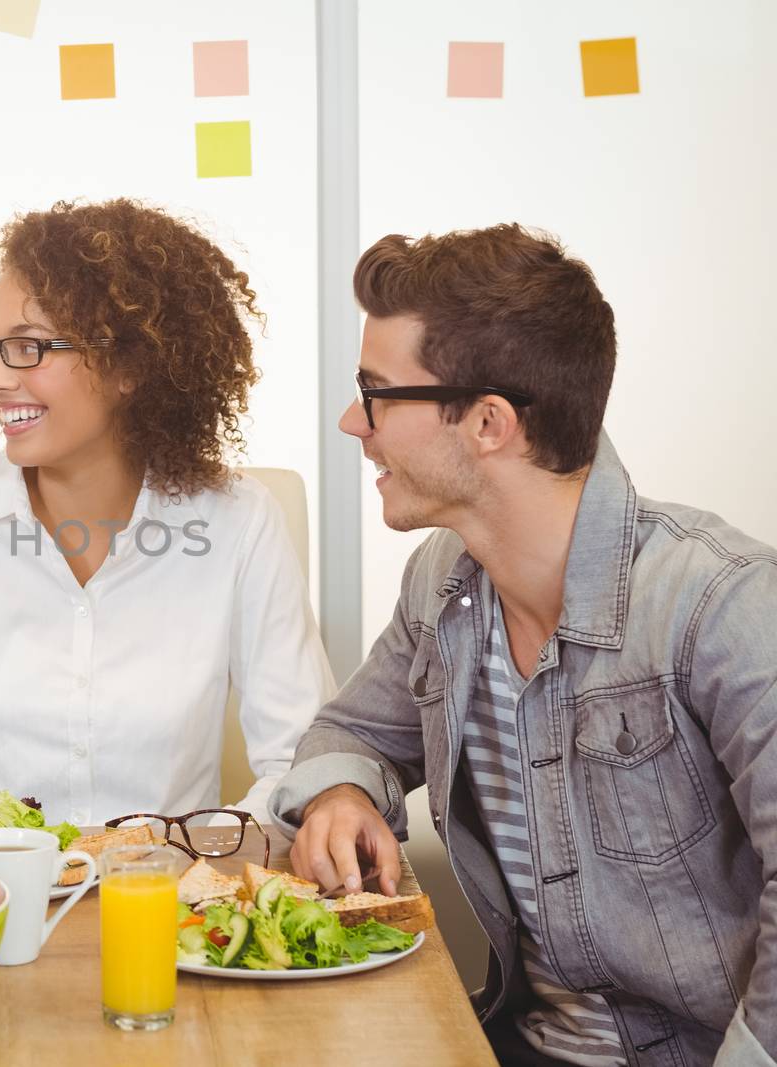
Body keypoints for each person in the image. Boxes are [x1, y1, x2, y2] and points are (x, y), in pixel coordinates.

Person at [269, 224, 775, 1065]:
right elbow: (350, 735)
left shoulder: (722, 603)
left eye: (377, 392)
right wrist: (342, 799)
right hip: (526, 1042)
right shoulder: (443, 586)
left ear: (489, 422)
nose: (352, 420)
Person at [0, 198, 335, 829]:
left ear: (130, 366)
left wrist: (197, 854)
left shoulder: (239, 522)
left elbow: (302, 763)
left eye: (27, 348)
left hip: (170, 900)